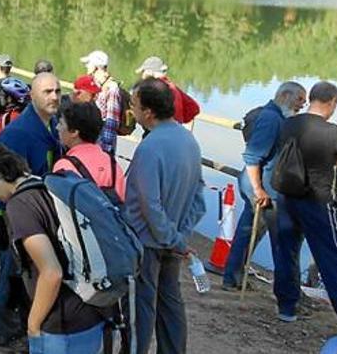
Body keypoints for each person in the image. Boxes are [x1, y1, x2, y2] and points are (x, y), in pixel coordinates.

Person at [0, 141, 106, 354]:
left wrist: (33, 323)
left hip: (62, 323)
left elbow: (51, 272)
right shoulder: (46, 183)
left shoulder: (20, 206)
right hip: (91, 309)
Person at [272, 81, 337, 337]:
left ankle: (286, 307)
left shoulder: (289, 123)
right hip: (317, 201)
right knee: (333, 259)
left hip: (287, 197)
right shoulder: (333, 132)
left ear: (312, 98)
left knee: (286, 252)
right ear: (333, 102)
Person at [124, 78, 206, 354]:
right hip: (172, 239)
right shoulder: (189, 141)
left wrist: (173, 239)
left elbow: (150, 204)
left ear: (148, 112)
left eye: (134, 105)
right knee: (171, 302)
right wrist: (180, 235)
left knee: (142, 307)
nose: (131, 110)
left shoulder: (150, 147)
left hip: (148, 242)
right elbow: (198, 197)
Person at [0, 72, 63, 351]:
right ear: (32, 96)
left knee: (30, 274)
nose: (54, 96)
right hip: (14, 218)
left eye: (57, 91)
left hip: (41, 215)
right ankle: (8, 334)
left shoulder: (54, 125)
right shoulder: (17, 134)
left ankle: (26, 324)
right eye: (47, 92)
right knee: (11, 273)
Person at [222, 82, 307, 290]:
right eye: (300, 100)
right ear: (285, 95)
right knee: (283, 241)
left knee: (246, 231)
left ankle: (232, 278)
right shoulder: (271, 119)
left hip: (259, 186)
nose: (302, 105)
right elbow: (252, 157)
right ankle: (287, 293)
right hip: (262, 189)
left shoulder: (277, 116)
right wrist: (259, 189)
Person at [52, 101, 126, 201]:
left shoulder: (65, 166)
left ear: (74, 132)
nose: (57, 128)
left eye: (61, 123)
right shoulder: (112, 164)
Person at [136, 56, 200, 125]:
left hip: (160, 130)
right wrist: (178, 121)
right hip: (176, 130)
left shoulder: (154, 89)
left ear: (150, 72)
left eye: (143, 72)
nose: (142, 76)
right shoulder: (172, 86)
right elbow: (194, 108)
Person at [81, 50, 123, 155]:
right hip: (93, 143)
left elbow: (111, 121)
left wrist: (104, 151)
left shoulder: (112, 88)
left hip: (102, 147)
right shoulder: (97, 85)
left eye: (89, 64)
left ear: (96, 67)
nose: (86, 67)